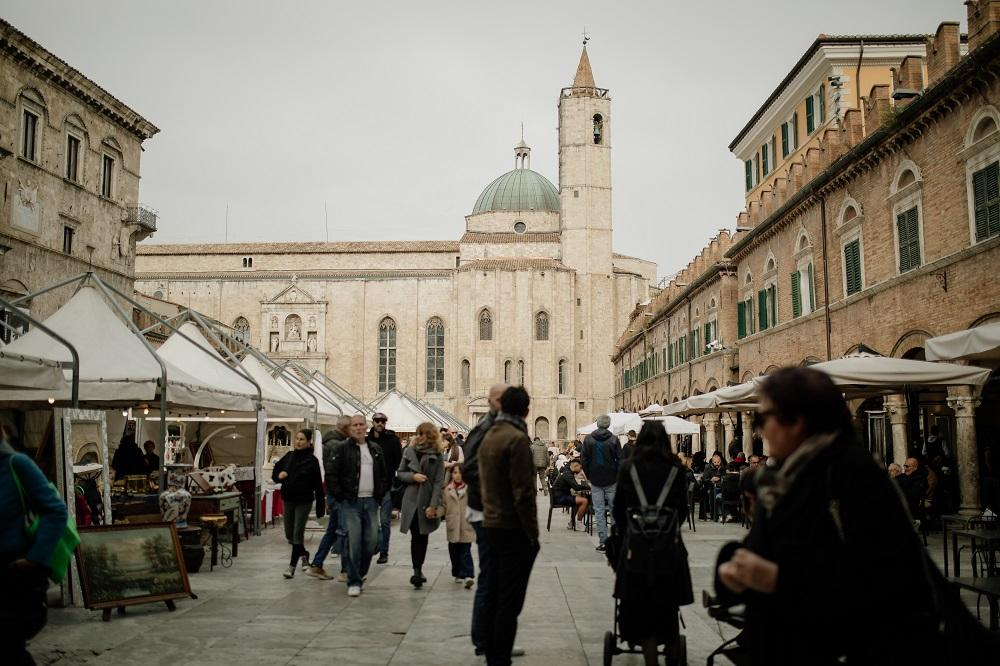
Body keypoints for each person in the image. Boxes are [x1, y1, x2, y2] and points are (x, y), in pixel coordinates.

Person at [715, 367, 938, 665]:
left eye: (763, 418)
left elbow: (881, 582)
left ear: (798, 421)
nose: (759, 430)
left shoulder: (851, 476)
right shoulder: (790, 474)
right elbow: (771, 546)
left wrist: (777, 579)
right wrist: (733, 569)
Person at [611, 421, 692, 666]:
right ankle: (669, 641)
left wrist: (631, 535)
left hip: (636, 550)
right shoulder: (676, 469)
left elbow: (618, 511)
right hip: (668, 549)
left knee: (639, 601)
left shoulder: (628, 468)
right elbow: (682, 511)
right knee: (667, 600)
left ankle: (648, 654)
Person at [478, 386, 539, 666]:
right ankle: (500, 657)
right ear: (526, 411)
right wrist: (532, 534)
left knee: (494, 592)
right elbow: (523, 493)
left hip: (490, 523)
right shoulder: (516, 439)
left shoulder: (490, 434)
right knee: (509, 600)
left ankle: (492, 652)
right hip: (511, 528)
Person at [1, 424, 69, 665]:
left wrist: (34, 559)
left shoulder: (15, 464)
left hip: (11, 573)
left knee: (9, 649)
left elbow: (56, 511)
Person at [462, 383, 509, 658]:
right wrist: (494, 492)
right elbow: (469, 469)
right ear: (492, 401)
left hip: (491, 511)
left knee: (496, 578)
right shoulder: (484, 429)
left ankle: (491, 637)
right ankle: (484, 639)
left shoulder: (497, 426)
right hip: (486, 512)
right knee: (491, 578)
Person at [328, 414, 390, 597]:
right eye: (355, 425)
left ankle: (360, 573)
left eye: (361, 424)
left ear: (366, 427)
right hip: (350, 502)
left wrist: (381, 493)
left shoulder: (375, 449)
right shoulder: (341, 448)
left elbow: (384, 474)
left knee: (371, 541)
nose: (358, 428)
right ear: (350, 428)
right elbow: (332, 474)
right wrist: (340, 496)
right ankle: (353, 580)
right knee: (354, 540)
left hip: (371, 501)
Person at [396, 422, 445, 589]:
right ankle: (416, 570)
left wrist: (434, 505)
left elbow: (439, 482)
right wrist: (413, 477)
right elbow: (400, 473)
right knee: (416, 534)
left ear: (430, 435)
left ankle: (419, 568)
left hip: (426, 499)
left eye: (423, 433)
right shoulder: (409, 451)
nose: (419, 436)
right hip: (411, 499)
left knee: (422, 535)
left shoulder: (437, 455)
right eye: (418, 433)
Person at [271, 429, 324, 579]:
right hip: (288, 498)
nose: (298, 442)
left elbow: (318, 486)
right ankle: (304, 554)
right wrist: (279, 476)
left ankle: (291, 566)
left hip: (304, 501)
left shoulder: (312, 461)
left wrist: (321, 507)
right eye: (297, 439)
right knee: (289, 535)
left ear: (308, 442)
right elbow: (276, 472)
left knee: (297, 533)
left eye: (302, 439)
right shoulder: (289, 457)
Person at [308, 415, 351, 580]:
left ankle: (317, 565)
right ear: (345, 428)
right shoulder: (337, 445)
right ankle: (346, 571)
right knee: (345, 531)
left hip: (333, 493)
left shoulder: (330, 442)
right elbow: (337, 472)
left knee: (332, 531)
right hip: (338, 494)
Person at [581, 414, 620, 551]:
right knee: (615, 511)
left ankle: (603, 542)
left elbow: (584, 460)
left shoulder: (588, 439)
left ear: (597, 424)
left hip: (596, 480)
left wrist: (590, 475)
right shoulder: (614, 440)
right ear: (608, 424)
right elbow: (620, 460)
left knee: (599, 511)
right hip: (612, 480)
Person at [369, 412, 402, 565]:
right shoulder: (366, 440)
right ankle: (375, 544)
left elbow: (399, 463)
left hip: (387, 486)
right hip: (369, 487)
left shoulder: (393, 440)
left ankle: (384, 551)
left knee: (385, 521)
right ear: (373, 422)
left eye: (382, 421)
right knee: (371, 522)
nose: (380, 423)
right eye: (377, 421)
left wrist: (394, 480)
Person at [440, 464, 476, 588]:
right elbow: (443, 506)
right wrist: (436, 513)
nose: (458, 475)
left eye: (460, 473)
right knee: (454, 552)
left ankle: (468, 575)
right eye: (455, 473)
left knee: (465, 551)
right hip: (453, 525)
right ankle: (457, 572)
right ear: (451, 474)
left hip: (466, 525)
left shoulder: (469, 489)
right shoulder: (447, 489)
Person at [551, 458, 590, 529]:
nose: (581, 470)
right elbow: (576, 487)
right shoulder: (567, 474)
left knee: (578, 498)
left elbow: (574, 486)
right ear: (576, 466)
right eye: (580, 468)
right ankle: (579, 524)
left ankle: (572, 523)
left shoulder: (567, 471)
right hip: (559, 498)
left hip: (559, 495)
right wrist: (589, 487)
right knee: (585, 501)